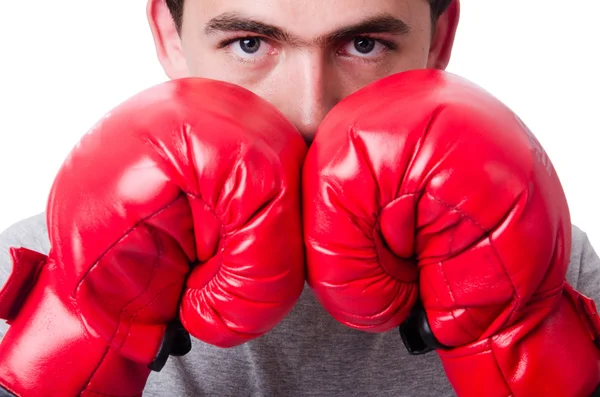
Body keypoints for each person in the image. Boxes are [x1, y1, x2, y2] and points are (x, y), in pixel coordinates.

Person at [0, 0, 599, 396]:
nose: (310, 111)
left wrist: (521, 334)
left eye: (364, 45)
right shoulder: (41, 258)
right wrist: (85, 326)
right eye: (249, 44)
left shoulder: (547, 264)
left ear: (440, 39)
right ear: (169, 37)